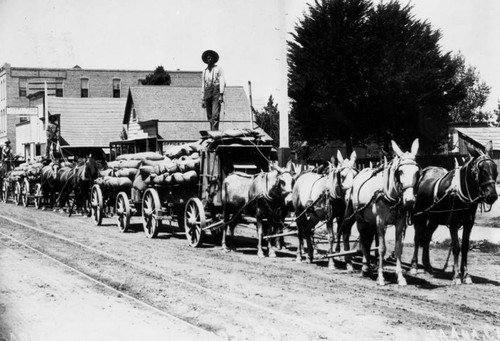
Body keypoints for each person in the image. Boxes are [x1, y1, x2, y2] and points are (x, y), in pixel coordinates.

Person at [201, 49, 226, 131]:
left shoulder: (218, 69)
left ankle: (215, 133)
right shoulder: (204, 71)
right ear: (206, 60)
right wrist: (203, 98)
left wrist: (221, 94)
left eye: (211, 58)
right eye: (208, 58)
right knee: (209, 115)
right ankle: (212, 132)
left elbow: (222, 81)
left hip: (216, 91)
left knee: (215, 114)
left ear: (214, 59)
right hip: (207, 92)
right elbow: (203, 85)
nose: (210, 60)